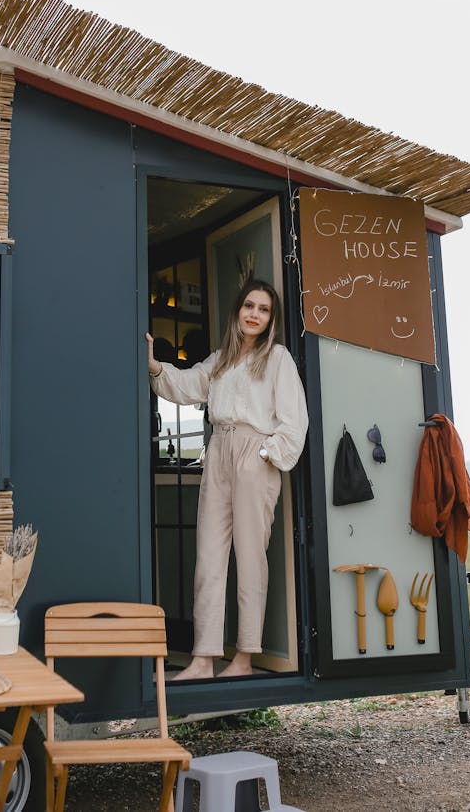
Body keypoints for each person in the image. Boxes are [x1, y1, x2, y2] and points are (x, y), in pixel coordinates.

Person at [147, 278, 308, 680]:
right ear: (238, 311)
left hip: (255, 455)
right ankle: (203, 658)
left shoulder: (278, 359)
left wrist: (265, 455)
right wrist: (153, 365)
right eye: (249, 306)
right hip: (218, 450)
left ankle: (244, 658)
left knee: (251, 556)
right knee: (209, 557)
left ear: (270, 319)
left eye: (263, 309)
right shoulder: (220, 360)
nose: (254, 314)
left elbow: (295, 420)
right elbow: (185, 386)